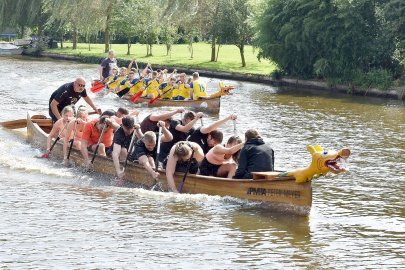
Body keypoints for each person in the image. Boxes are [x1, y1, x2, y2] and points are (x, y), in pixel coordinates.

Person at [111, 116, 143, 182]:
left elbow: (145, 141)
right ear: (122, 125)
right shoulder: (119, 134)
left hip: (130, 153)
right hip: (116, 153)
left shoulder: (135, 129)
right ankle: (122, 174)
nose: (129, 131)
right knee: (123, 150)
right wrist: (118, 171)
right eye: (127, 128)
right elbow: (115, 154)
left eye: (131, 128)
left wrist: (138, 130)